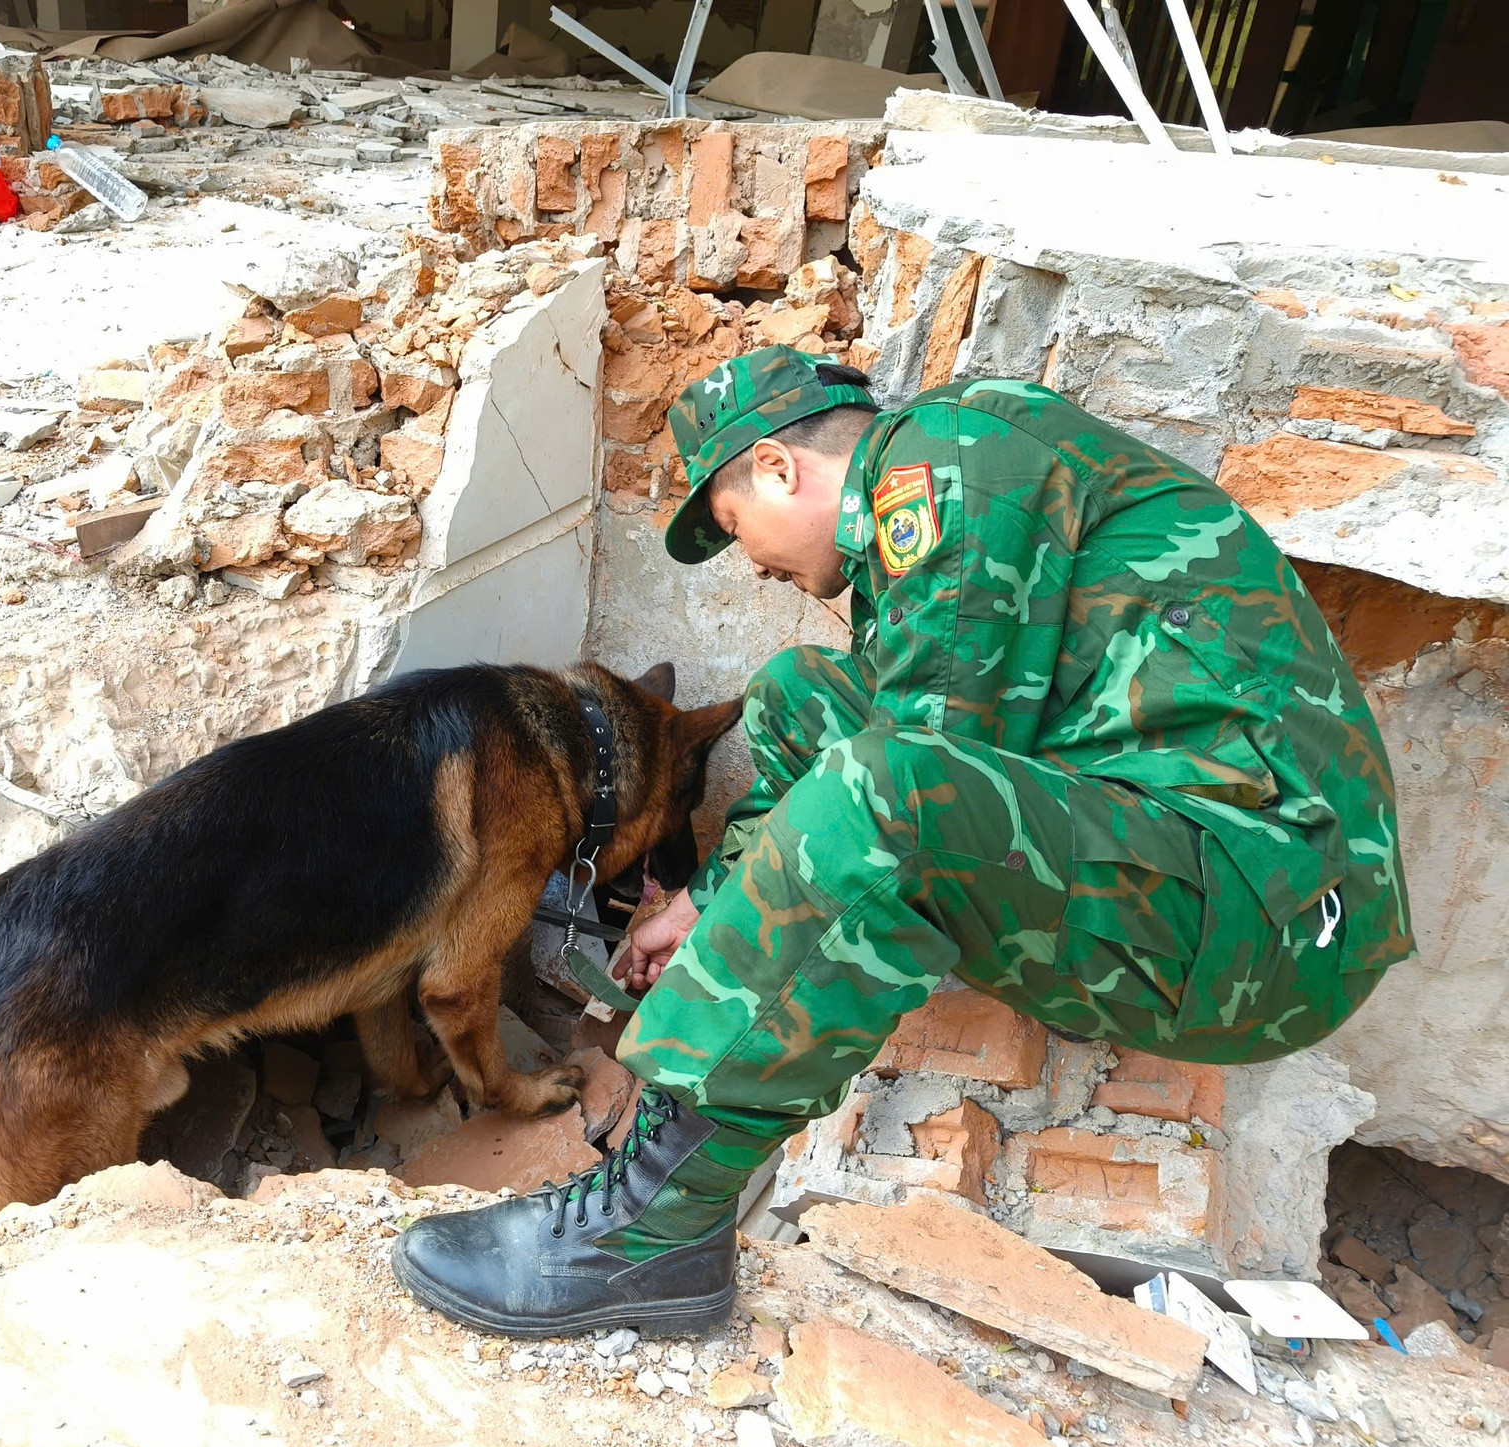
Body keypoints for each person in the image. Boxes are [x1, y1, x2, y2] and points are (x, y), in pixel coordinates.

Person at [390, 348, 1413, 1336]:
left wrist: (744, 942)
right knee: (796, 693)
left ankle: (651, 1223)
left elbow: (911, 781)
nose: (753, 565)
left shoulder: (949, 458)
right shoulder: (938, 497)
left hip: (1264, 925)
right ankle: (669, 1167)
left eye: (736, 527)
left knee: (886, 785)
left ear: (778, 467)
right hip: (1182, 868)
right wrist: (706, 903)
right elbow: (898, 741)